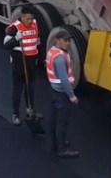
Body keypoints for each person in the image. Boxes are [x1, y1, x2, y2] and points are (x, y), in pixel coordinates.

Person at [45, 29, 79, 158]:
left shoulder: (52, 52)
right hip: (61, 93)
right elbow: (64, 80)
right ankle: (62, 149)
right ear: (58, 40)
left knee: (53, 120)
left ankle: (54, 144)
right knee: (62, 123)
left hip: (54, 91)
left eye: (69, 40)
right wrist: (72, 96)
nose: (68, 43)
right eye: (65, 40)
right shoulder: (60, 58)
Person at [4, 9, 41, 126]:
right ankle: (15, 114)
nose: (30, 21)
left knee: (30, 89)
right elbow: (6, 45)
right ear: (22, 17)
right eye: (27, 19)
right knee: (18, 89)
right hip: (19, 64)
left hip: (31, 63)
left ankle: (30, 110)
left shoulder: (34, 25)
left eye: (31, 18)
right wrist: (15, 39)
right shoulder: (13, 29)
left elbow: (36, 42)